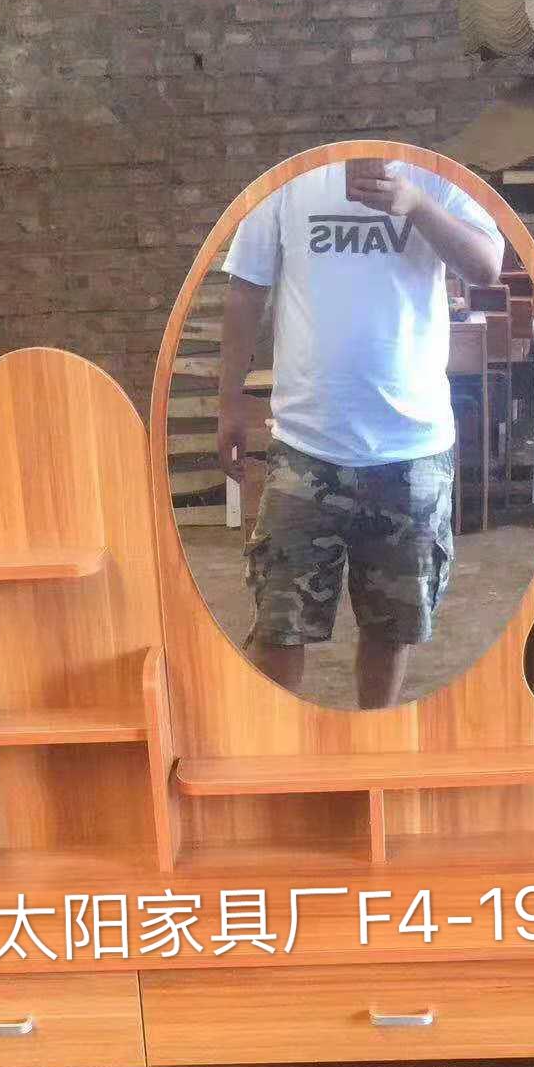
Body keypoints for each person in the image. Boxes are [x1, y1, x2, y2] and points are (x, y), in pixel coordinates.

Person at [217, 158, 504, 708]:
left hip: (411, 449)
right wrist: (228, 401)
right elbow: (246, 289)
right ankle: (279, 747)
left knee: (391, 627)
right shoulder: (289, 176)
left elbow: (488, 266)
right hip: (306, 447)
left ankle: (375, 740)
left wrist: (417, 206)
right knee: (280, 624)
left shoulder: (434, 173)